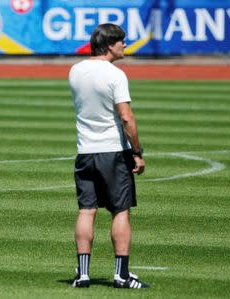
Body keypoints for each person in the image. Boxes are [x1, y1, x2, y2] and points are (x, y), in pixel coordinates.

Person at [68, 23, 149, 289]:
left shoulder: (75, 70)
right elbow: (126, 117)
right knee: (120, 211)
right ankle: (121, 275)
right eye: (121, 41)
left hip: (85, 151)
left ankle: (83, 274)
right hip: (113, 151)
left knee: (86, 211)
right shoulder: (116, 74)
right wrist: (137, 151)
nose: (124, 45)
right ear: (109, 45)